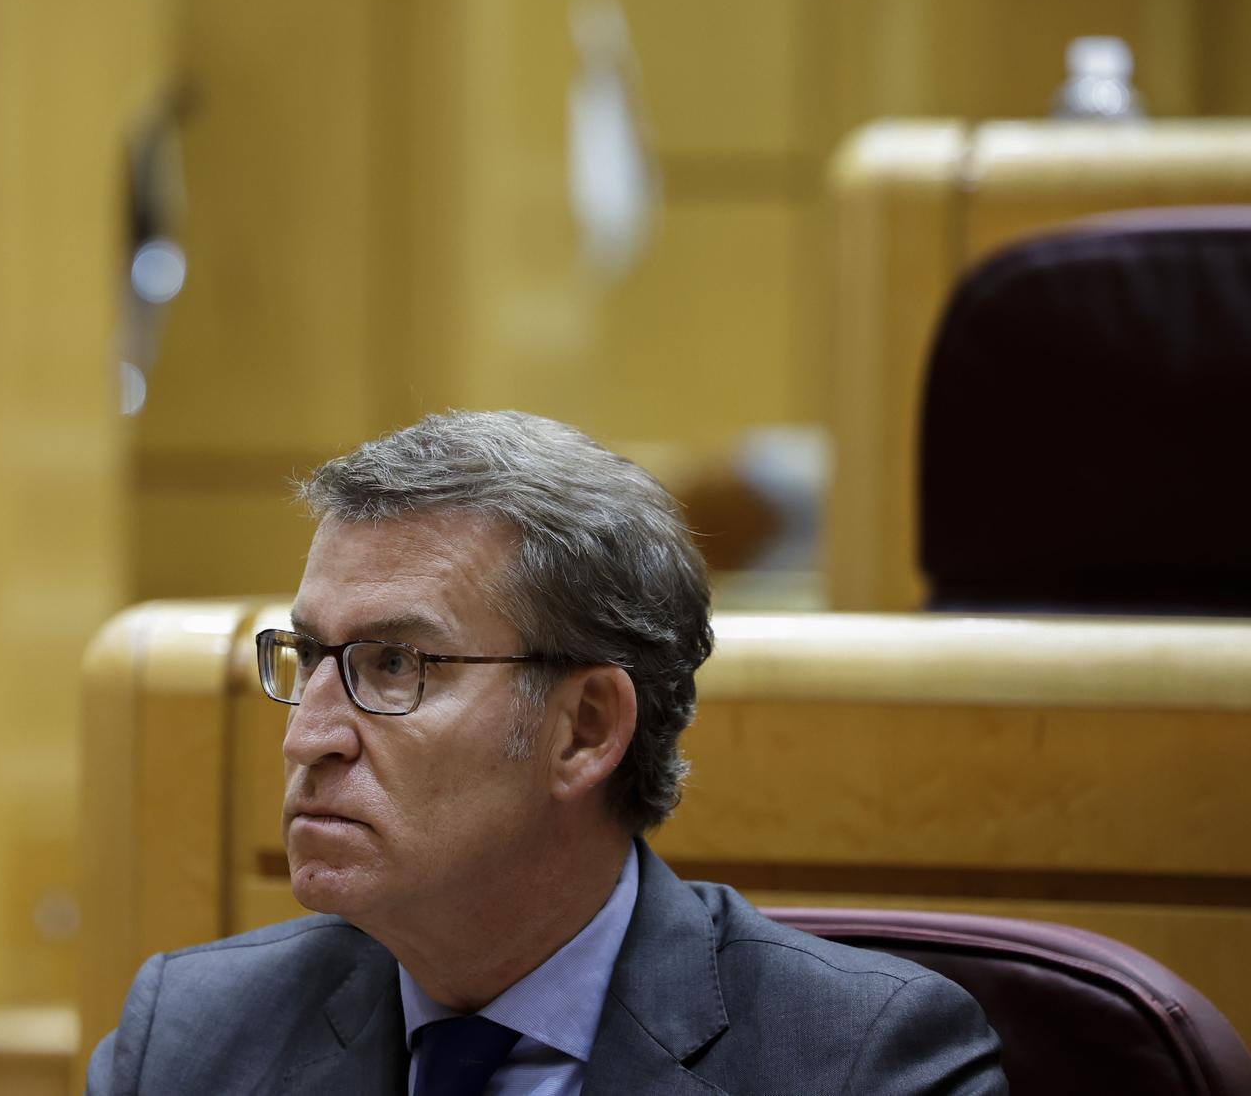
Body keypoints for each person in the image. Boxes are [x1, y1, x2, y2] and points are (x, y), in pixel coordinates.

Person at [87, 410, 1006, 1095]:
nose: (307, 736)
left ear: (586, 729)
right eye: (311, 658)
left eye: (397, 664)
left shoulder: (864, 1062)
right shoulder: (189, 1041)